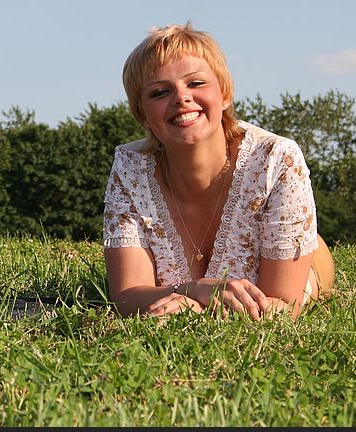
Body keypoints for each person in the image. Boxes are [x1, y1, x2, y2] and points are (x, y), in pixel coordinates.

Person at [103, 22, 335, 320]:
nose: (181, 98)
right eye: (160, 92)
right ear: (142, 115)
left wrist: (197, 307)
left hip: (309, 257)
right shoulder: (130, 166)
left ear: (225, 95)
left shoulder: (277, 158)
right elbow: (125, 296)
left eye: (196, 83)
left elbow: (283, 306)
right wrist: (194, 291)